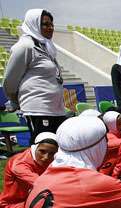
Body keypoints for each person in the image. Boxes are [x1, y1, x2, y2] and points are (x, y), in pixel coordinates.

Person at [2, 9, 66, 142]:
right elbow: (10, 79)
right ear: (34, 24)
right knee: (43, 148)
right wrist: (14, 99)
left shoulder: (45, 46)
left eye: (51, 24)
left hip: (54, 108)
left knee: (57, 148)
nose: (51, 28)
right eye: (45, 24)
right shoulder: (25, 46)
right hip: (38, 108)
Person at [0, 132, 58, 208]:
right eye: (42, 151)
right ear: (35, 148)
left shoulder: (46, 159)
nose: (46, 157)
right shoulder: (19, 163)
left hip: (33, 198)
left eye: (52, 153)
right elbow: (42, 184)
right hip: (12, 205)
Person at [98, 109, 121, 176]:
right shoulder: (108, 136)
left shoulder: (120, 133)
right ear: (111, 125)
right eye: (119, 124)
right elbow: (114, 144)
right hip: (107, 172)